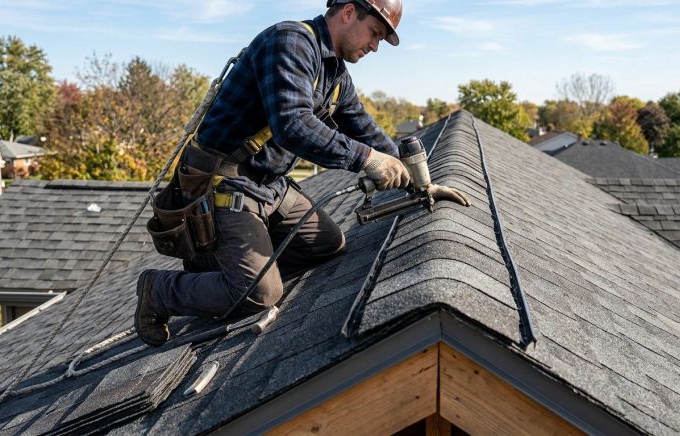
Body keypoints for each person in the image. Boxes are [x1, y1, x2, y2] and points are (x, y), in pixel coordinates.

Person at [135, 0, 470, 346]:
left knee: (328, 244)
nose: (374, 46)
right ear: (349, 12)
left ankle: (225, 269)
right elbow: (293, 125)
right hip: (225, 180)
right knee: (258, 294)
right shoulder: (289, 42)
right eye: (374, 34)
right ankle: (159, 290)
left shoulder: (336, 76)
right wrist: (369, 160)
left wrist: (420, 180)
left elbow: (366, 131)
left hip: (270, 185)